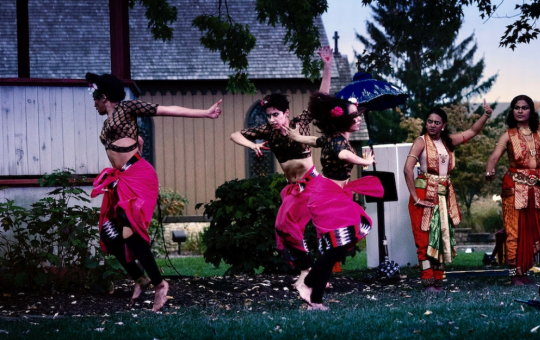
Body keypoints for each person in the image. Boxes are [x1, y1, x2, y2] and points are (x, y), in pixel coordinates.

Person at [86, 72, 221, 311]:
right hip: (121, 179)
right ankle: (140, 278)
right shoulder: (107, 122)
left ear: (104, 96)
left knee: (130, 231)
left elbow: (167, 109)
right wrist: (137, 143)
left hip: (138, 176)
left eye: (95, 96)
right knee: (109, 233)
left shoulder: (127, 108)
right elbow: (129, 140)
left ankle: (160, 285)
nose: (93, 101)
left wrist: (205, 113)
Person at [229, 47, 334, 288]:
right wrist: (252, 145)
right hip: (293, 189)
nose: (272, 120)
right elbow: (235, 134)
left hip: (311, 184)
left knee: (287, 226)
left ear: (286, 114)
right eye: (268, 116)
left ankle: (309, 273)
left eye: (276, 115)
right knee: (281, 234)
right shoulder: (267, 131)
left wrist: (327, 66)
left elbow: (323, 96)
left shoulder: (300, 124)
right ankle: (310, 272)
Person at [285, 93, 383, 310]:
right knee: (338, 246)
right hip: (327, 197)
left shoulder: (332, 137)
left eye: (358, 115)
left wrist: (297, 137)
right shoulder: (338, 141)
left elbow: (313, 140)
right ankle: (307, 284)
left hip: (333, 195)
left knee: (335, 249)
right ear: (342, 120)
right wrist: (364, 160)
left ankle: (316, 302)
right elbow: (344, 156)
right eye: (355, 116)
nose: (358, 119)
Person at [484, 82, 540, 285]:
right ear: (512, 111)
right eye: (517, 107)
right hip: (514, 188)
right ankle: (515, 274)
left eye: (524, 107)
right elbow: (494, 156)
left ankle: (523, 271)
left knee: (534, 229)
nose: (520, 111)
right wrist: (489, 169)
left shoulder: (538, 130)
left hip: (536, 189)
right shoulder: (507, 135)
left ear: (530, 111)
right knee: (514, 229)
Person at [403, 102, 493, 291]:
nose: (433, 125)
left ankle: (438, 281)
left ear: (443, 125)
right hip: (424, 193)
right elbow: (407, 169)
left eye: (437, 122)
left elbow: (472, 132)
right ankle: (427, 282)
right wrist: (415, 196)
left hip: (443, 195)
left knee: (442, 238)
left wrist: (486, 115)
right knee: (425, 238)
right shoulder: (420, 141)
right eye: (430, 121)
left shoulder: (448, 141)